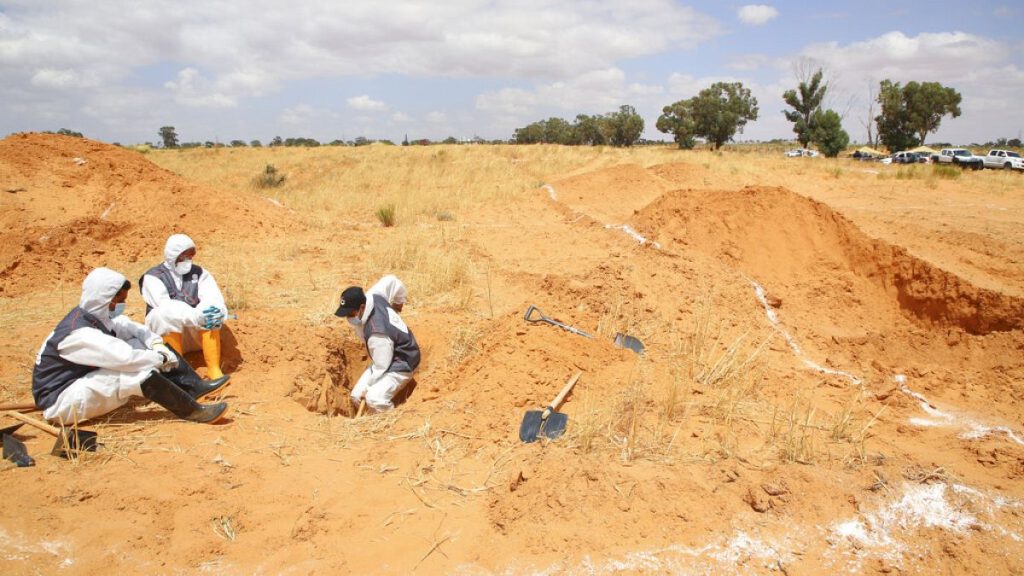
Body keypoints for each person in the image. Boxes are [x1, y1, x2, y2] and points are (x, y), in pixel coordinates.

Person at [32, 267, 230, 425]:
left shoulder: (93, 316)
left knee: (139, 343)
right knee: (134, 372)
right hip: (61, 403)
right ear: (105, 299)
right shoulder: (79, 334)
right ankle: (193, 412)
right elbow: (126, 359)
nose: (120, 305)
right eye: (119, 301)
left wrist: (156, 343)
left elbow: (130, 327)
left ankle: (193, 386)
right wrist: (159, 358)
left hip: (78, 382)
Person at [140, 234, 229, 379]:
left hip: (196, 333)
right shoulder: (153, 277)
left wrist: (208, 312)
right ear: (173, 255)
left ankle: (214, 370)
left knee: (213, 311)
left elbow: (212, 296)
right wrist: (194, 316)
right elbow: (165, 306)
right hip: (168, 335)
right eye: (183, 256)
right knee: (160, 314)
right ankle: (179, 373)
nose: (188, 260)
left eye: (191, 256)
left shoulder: (200, 273)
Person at [335, 284, 420, 413]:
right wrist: (398, 302)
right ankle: (371, 416)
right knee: (356, 396)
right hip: (387, 354)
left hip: (402, 361)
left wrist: (369, 386)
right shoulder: (374, 295)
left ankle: (389, 421)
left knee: (374, 399)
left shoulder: (377, 333)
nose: (348, 318)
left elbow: (382, 366)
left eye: (351, 313)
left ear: (362, 307)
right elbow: (391, 281)